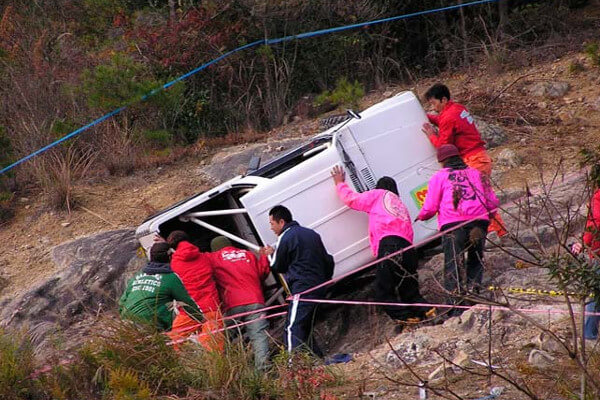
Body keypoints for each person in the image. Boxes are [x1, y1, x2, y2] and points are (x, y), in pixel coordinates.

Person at [330, 165, 433, 323]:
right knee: (410, 292)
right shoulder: (400, 206)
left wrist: (339, 184)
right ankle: (429, 313)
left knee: (382, 293)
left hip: (390, 246)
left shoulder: (378, 195)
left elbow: (352, 199)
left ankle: (407, 319)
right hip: (408, 250)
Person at [416, 144, 499, 313]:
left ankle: (455, 308)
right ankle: (474, 297)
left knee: (453, 262)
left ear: (442, 161)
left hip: (454, 224)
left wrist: (421, 216)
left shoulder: (439, 177)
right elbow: (492, 202)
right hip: (478, 222)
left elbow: (430, 206)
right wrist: (487, 217)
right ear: (459, 157)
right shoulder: (478, 174)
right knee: (475, 258)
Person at [421, 83, 507, 237]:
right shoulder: (458, 108)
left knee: (480, 199)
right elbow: (443, 120)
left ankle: (497, 232)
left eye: (434, 103)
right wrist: (426, 117)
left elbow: (444, 145)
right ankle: (496, 231)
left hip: (473, 159)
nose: (433, 107)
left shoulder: (448, 116)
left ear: (444, 99)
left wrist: (431, 135)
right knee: (482, 197)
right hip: (480, 156)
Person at [263, 205, 334, 357]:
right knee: (305, 326)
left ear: (281, 222)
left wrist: (270, 254)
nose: (271, 228)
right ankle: (316, 359)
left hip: (302, 288)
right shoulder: (311, 234)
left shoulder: (285, 237)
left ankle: (293, 367)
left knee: (292, 327)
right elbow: (328, 260)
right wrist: (326, 280)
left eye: (272, 223)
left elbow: (277, 265)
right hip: (319, 286)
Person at [209, 236, 271, 370]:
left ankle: (225, 371)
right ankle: (263, 371)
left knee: (221, 338)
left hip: (231, 304)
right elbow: (262, 273)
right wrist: (264, 257)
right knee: (259, 336)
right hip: (255, 300)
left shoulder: (213, 258)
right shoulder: (248, 254)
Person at [119, 242, 204, 331]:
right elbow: (187, 302)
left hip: (127, 322)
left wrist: (123, 318)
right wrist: (201, 319)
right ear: (170, 257)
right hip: (151, 323)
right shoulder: (171, 278)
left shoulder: (137, 276)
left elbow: (122, 302)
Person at [167, 230, 224, 352]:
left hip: (190, 310)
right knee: (214, 349)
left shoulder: (174, 263)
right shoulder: (205, 257)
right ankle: (217, 370)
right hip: (211, 307)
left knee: (173, 342)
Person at [572, 179, 600, 340]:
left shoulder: (598, 196)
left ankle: (589, 335)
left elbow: (596, 221)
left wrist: (584, 242)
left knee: (596, 293)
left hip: (597, 251)